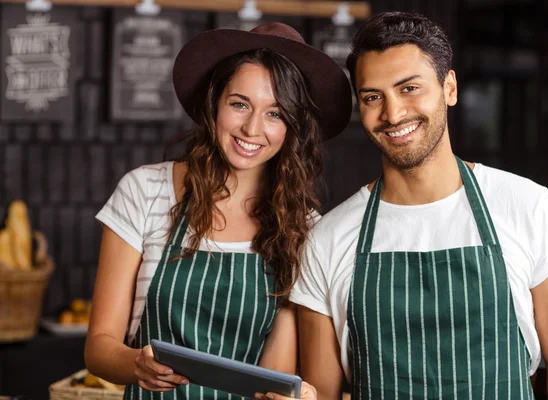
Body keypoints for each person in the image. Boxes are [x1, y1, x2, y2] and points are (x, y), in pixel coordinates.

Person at [290, 11, 548, 399]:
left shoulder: (528, 207)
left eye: (409, 88)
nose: (393, 113)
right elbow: (324, 394)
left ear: (449, 87)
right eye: (372, 97)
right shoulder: (328, 238)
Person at [84, 22, 351, 399]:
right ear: (214, 105)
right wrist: (135, 365)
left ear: (293, 127)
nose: (252, 128)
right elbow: (99, 347)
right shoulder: (145, 192)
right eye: (239, 104)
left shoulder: (304, 229)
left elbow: (273, 375)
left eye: (276, 113)